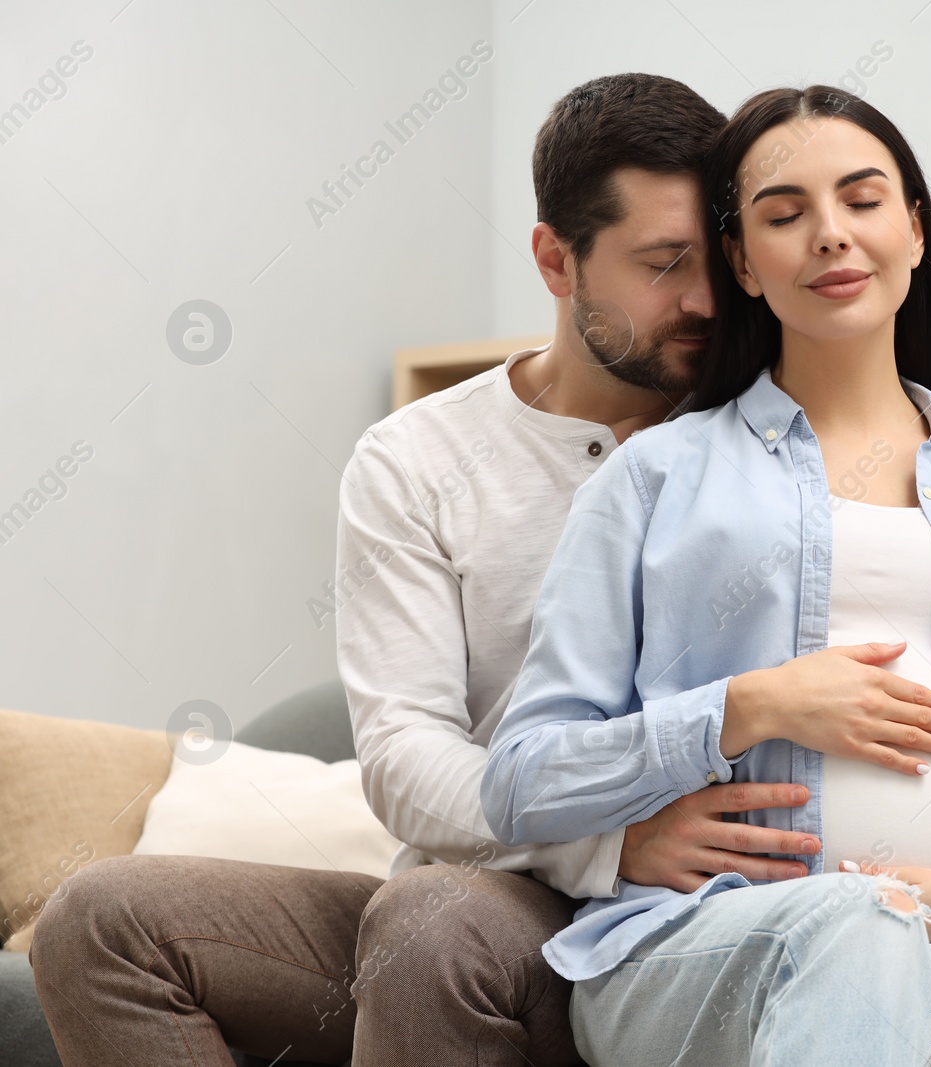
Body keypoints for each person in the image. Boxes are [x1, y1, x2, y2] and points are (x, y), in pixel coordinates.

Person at [30, 73, 838, 1067]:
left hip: (680, 913)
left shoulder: (777, 432)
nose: (704, 299)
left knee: (429, 921)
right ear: (556, 258)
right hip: (486, 894)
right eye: (663, 263)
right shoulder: (415, 459)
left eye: (715, 257)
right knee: (100, 918)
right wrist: (602, 844)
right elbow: (408, 758)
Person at [481, 84, 931, 1066]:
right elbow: (522, 779)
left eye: (861, 201)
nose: (829, 234)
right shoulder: (654, 476)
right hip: (693, 947)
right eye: (784, 214)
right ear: (741, 260)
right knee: (857, 923)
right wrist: (751, 704)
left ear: (911, 228)